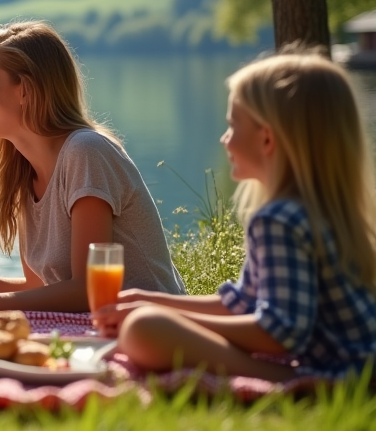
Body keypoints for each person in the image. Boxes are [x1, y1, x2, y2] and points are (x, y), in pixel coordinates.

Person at [92, 52, 376, 380]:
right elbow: (243, 303)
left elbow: (278, 332)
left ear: (267, 139)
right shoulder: (317, 209)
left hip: (345, 375)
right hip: (359, 362)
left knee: (145, 329)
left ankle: (285, 381)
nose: (224, 138)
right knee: (146, 321)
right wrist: (151, 300)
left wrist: (159, 314)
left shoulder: (278, 220)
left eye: (231, 126)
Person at [0, 21, 184, 314]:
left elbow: (87, 291)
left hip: (152, 327)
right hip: (94, 327)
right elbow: (42, 288)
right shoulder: (23, 171)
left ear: (25, 90)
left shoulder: (86, 152)